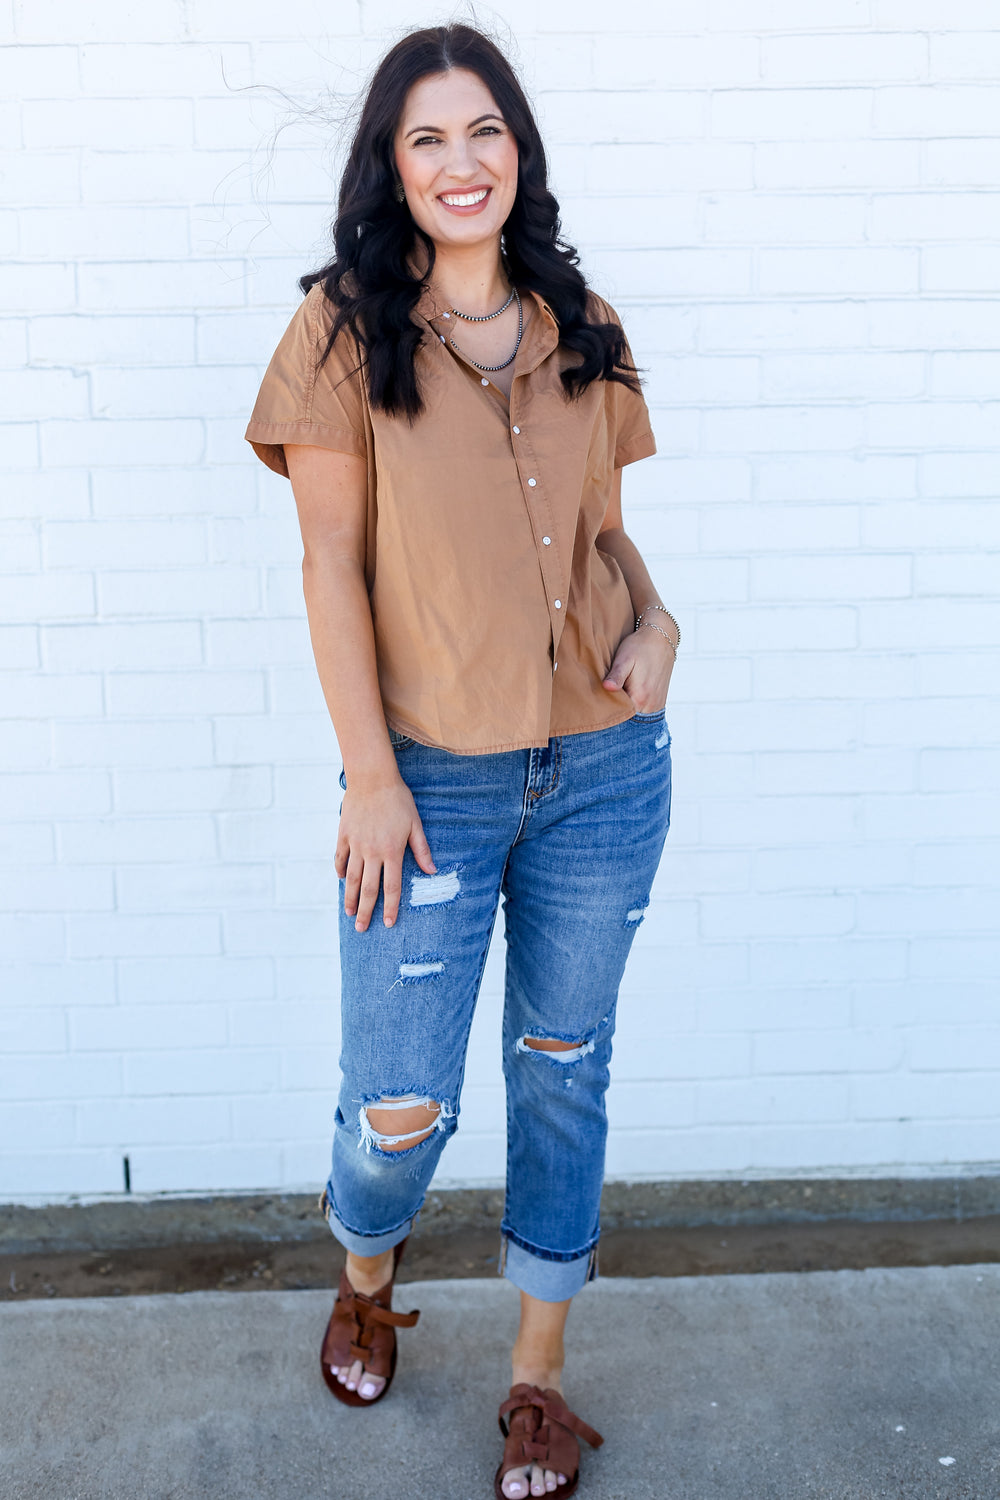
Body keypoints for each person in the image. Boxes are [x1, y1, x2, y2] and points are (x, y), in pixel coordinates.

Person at [245, 23, 678, 1500]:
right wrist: (370, 777)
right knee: (399, 1107)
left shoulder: (583, 320)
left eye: (483, 129)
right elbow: (328, 567)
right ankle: (367, 1275)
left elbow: (608, 538)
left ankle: (537, 1381)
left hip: (606, 770)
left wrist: (661, 624)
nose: (461, 161)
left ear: (518, 148)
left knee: (562, 1073)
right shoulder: (340, 335)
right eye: (427, 137)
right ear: (392, 164)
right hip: (428, 782)